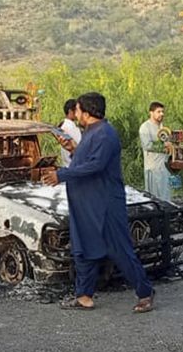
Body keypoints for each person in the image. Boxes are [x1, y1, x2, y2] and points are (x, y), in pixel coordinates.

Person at [43, 92, 154, 313]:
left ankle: (145, 292)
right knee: (83, 248)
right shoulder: (91, 132)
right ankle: (84, 296)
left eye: (77, 110)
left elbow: (96, 165)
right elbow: (86, 159)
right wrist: (73, 149)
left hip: (104, 204)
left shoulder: (105, 133)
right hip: (86, 203)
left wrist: (61, 175)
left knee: (119, 248)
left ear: (87, 112)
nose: (76, 115)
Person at [138, 101, 172, 202]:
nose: (161, 114)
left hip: (164, 167)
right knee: (153, 198)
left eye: (162, 112)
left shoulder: (162, 127)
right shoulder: (145, 127)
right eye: (158, 111)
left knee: (165, 196)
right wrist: (163, 146)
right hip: (153, 168)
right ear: (151, 113)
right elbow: (147, 146)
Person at [58, 99, 82, 167]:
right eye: (76, 110)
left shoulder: (64, 125)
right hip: (73, 164)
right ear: (70, 111)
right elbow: (80, 145)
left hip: (66, 164)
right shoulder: (70, 127)